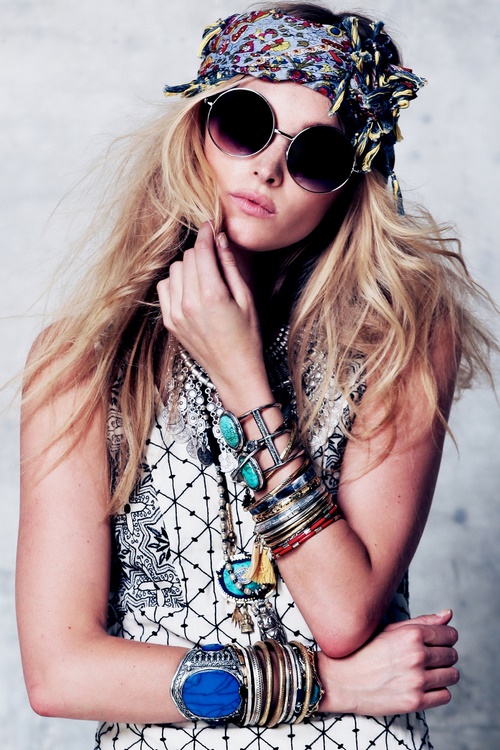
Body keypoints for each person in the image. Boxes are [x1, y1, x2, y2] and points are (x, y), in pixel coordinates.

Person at [17, 2, 495, 748]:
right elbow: (61, 674)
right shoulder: (80, 361)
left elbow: (344, 613)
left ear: (350, 188)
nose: (268, 167)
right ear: (197, 128)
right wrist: (327, 685)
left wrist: (242, 376)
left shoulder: (400, 334)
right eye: (245, 124)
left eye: (316, 156)